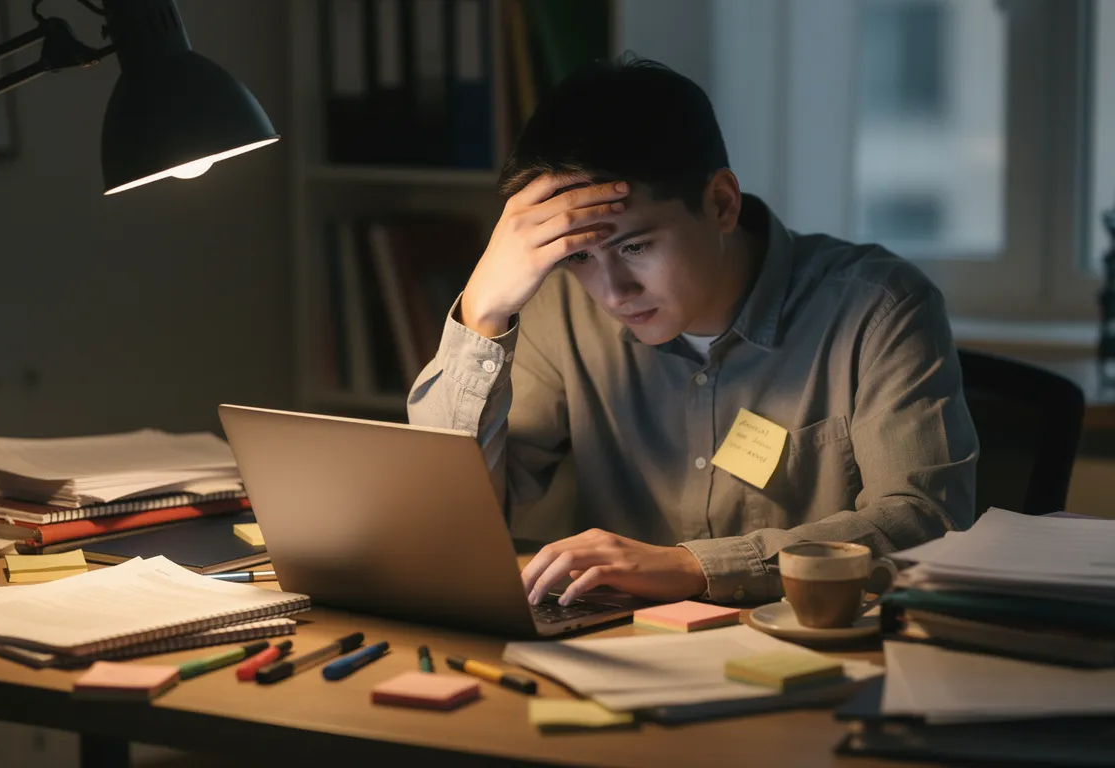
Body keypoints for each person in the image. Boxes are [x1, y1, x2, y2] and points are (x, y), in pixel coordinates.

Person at [407, 56, 977, 609]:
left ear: (721, 203)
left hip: (814, 659)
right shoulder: (561, 312)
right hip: (624, 655)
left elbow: (923, 520)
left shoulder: (879, 308)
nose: (612, 292)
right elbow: (453, 520)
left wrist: (693, 567)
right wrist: (481, 315)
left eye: (634, 246)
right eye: (579, 257)